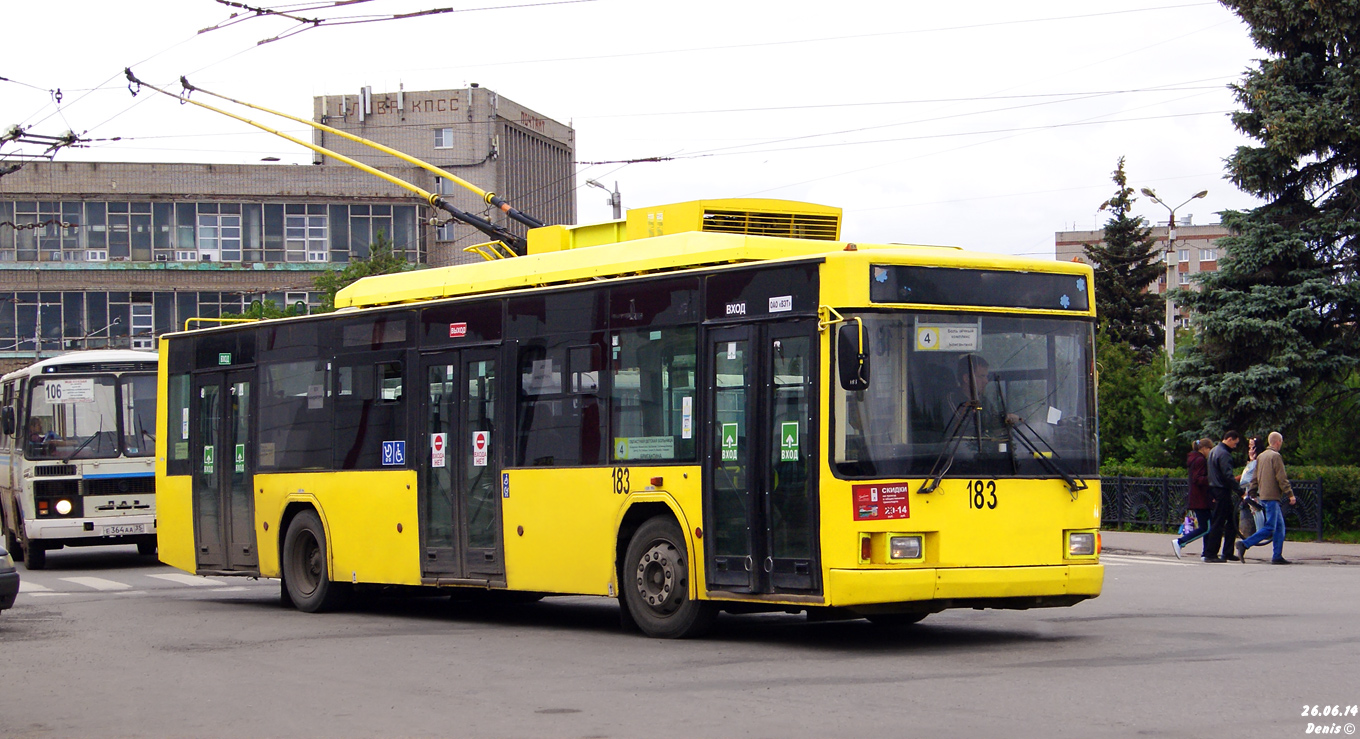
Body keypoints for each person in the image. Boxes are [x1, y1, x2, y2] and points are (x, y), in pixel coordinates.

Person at [1235, 431, 1297, 564]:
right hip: (1272, 496)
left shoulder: (1261, 457)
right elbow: (1281, 478)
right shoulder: (1276, 456)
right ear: (1278, 442)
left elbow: (1254, 477)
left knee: (1280, 527)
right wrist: (1290, 494)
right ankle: (1245, 544)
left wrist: (1252, 492)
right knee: (1270, 527)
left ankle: (1277, 556)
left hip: (1264, 495)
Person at [1201, 430, 1244, 562]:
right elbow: (1228, 476)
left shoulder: (1214, 451)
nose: (1235, 447)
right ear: (1230, 439)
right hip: (1222, 490)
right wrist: (1240, 491)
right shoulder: (1224, 454)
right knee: (1219, 522)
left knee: (1231, 520)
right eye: (1235, 443)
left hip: (1215, 488)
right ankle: (1211, 553)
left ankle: (1227, 552)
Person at [1173, 438, 1214, 559]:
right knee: (1205, 528)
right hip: (1201, 498)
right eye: (1209, 449)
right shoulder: (1200, 460)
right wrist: (1211, 479)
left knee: (1208, 525)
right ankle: (1181, 542)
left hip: (1198, 498)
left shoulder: (1194, 459)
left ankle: (1206, 553)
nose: (1210, 452)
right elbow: (1198, 478)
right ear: (1204, 448)